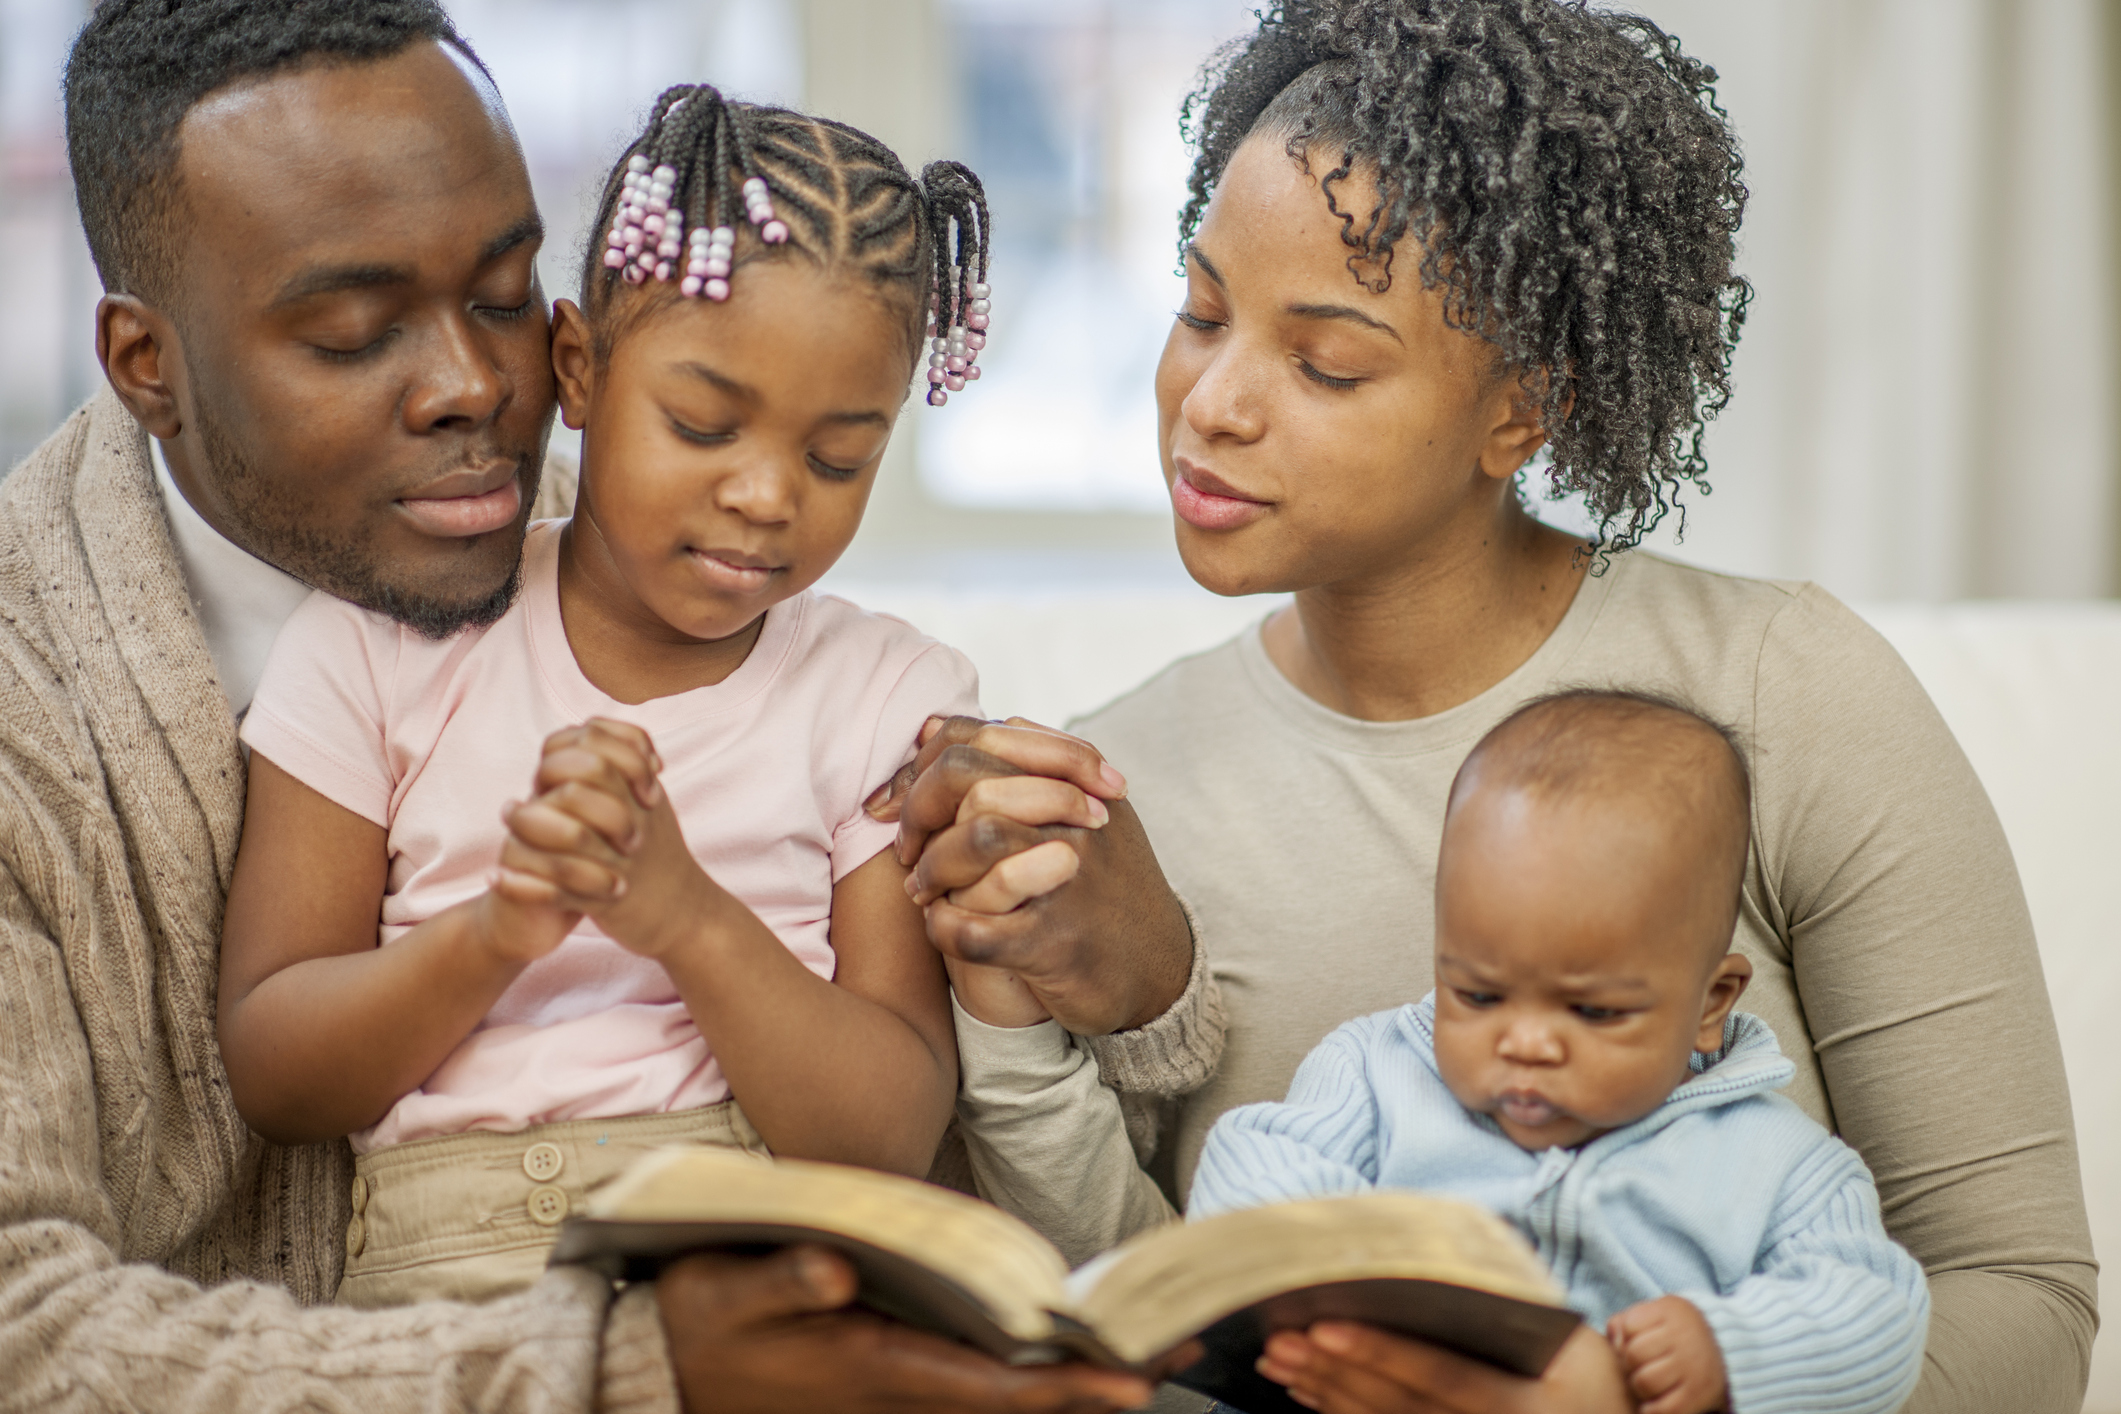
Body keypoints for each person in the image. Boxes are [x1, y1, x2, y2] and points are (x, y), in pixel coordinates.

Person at [872, 2, 2097, 1411]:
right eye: (1200, 311)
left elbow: (2025, 1303)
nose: (1209, 402)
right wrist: (1017, 1008)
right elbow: (1163, 1321)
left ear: (1521, 410)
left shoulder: (1781, 696)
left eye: (1325, 362)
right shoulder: (1112, 792)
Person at [0, 1, 1153, 1408]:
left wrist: (1121, 972)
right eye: (354, 332)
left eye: (501, 296)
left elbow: (910, 1121)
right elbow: (32, 1324)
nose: (476, 388)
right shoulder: (154, 689)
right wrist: (623, 1357)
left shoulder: (794, 638)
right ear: (145, 367)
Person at [216, 84, 1016, 1307]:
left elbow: (892, 1132)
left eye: (837, 457)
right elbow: (276, 1071)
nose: (766, 496)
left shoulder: (882, 694)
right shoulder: (375, 650)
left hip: (758, 1264)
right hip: (446, 1296)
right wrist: (500, 930)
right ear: (578, 371)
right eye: (702, 426)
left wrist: (687, 917)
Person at [1191, 690, 1930, 1414]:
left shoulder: (1779, 1163)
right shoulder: (1376, 1068)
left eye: (1593, 1011)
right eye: (1478, 995)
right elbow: (1250, 1162)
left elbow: (1877, 1310)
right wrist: (1363, 1261)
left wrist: (1727, 1351)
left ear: (1710, 1004)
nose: (1525, 1044)